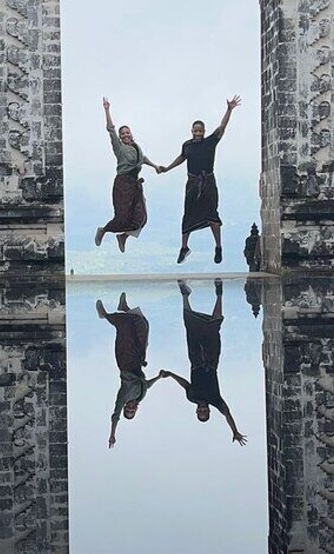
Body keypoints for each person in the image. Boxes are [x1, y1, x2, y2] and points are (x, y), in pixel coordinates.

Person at [161, 280, 247, 446]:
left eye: (200, 411)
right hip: (211, 361)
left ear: (196, 411)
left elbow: (185, 384)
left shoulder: (192, 397)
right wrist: (234, 431)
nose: (202, 409)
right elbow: (227, 413)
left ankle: (185, 294)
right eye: (204, 411)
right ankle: (219, 294)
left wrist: (171, 375)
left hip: (195, 359)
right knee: (214, 326)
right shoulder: (215, 400)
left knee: (190, 325)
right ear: (208, 410)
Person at [159, 96, 242, 264]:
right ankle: (184, 248)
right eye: (195, 130)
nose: (197, 133)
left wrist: (229, 110)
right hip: (192, 184)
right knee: (188, 214)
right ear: (191, 131)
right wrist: (167, 168)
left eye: (200, 131)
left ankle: (218, 247)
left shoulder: (210, 142)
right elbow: (182, 158)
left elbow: (222, 127)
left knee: (212, 215)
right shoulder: (187, 145)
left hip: (208, 183)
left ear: (204, 132)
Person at [97, 293, 164, 448]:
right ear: (136, 410)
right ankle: (124, 308)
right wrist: (159, 377)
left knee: (126, 329)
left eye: (128, 410)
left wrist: (112, 435)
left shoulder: (123, 397)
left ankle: (105, 315)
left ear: (126, 407)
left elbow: (115, 416)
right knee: (143, 326)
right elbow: (147, 384)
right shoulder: (141, 396)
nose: (131, 408)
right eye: (132, 411)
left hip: (126, 361)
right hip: (139, 360)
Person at [95, 98, 162, 253]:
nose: (125, 135)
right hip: (123, 184)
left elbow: (143, 159)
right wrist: (107, 110)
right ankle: (103, 230)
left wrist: (155, 166)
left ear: (131, 134)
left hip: (135, 185)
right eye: (122, 133)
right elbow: (111, 129)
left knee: (141, 217)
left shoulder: (137, 147)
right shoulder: (119, 148)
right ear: (120, 137)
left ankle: (123, 237)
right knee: (123, 217)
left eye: (127, 132)